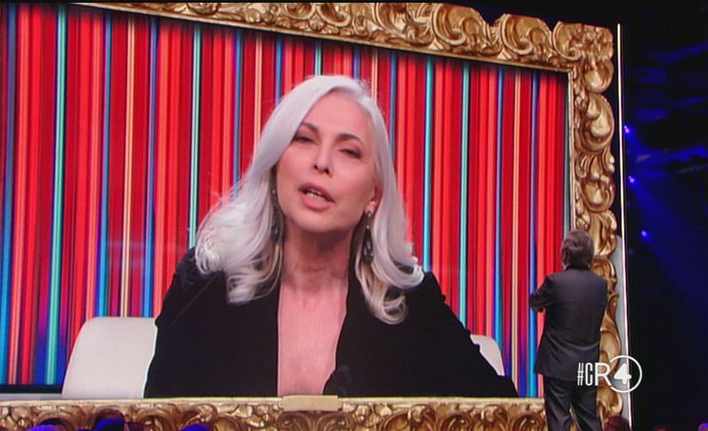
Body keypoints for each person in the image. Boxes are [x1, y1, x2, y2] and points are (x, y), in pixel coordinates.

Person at [144, 75, 517, 398]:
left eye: (349, 151)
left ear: (374, 195)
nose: (321, 162)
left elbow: (503, 414)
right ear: (274, 167)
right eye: (304, 139)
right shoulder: (204, 285)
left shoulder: (408, 304)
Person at [530, 229, 608, 430]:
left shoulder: (556, 282)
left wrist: (542, 307)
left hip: (558, 364)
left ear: (565, 254)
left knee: (559, 419)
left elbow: (534, 301)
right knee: (589, 418)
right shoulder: (600, 285)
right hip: (587, 364)